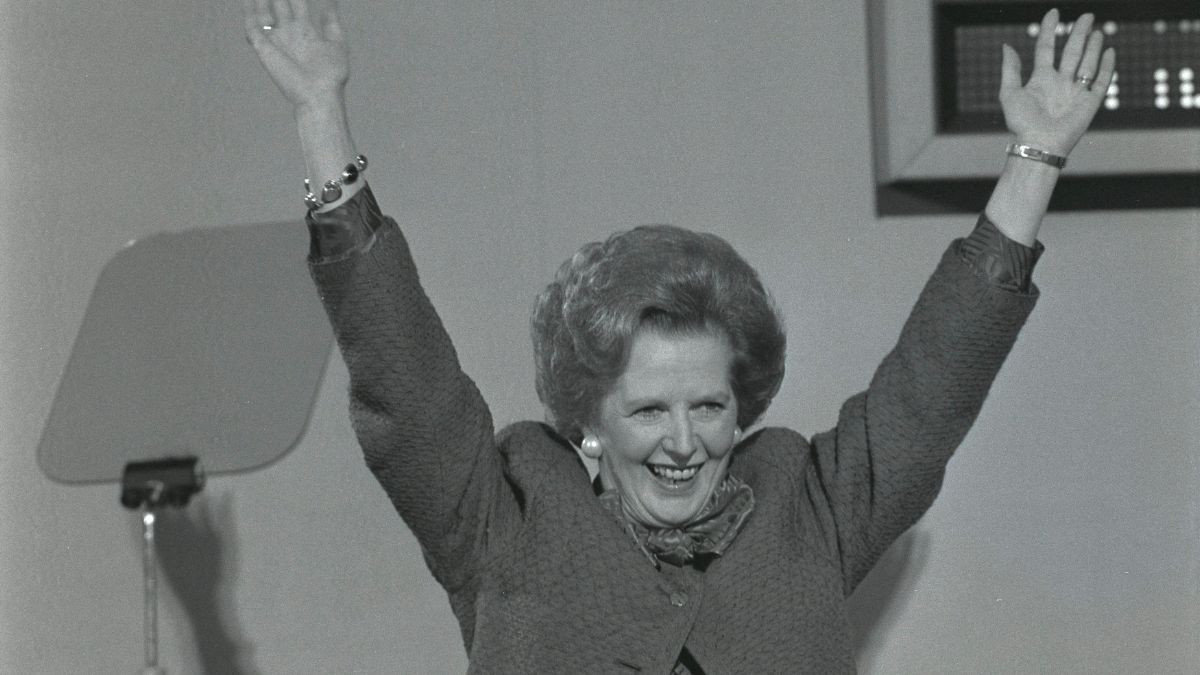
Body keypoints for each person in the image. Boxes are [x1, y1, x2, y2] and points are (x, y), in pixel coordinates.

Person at [245, 2, 1114, 672]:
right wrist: (322, 116)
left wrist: (1033, 157)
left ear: (743, 406)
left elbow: (933, 387)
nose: (684, 440)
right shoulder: (505, 513)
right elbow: (405, 374)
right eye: (650, 408)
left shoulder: (806, 505)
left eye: (709, 404)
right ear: (589, 414)